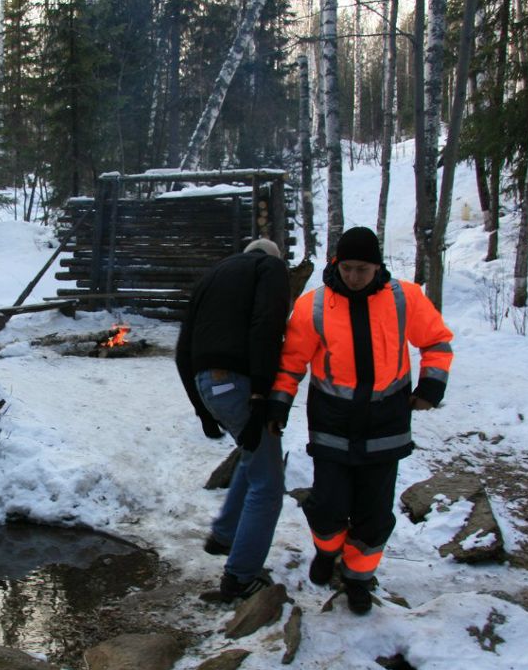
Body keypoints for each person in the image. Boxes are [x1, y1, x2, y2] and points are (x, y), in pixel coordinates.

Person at [269, 226, 453, 614]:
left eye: (363, 269)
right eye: (348, 268)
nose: (354, 277)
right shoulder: (313, 306)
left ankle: (357, 579)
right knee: (328, 506)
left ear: (377, 267)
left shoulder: (404, 298)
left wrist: (432, 386)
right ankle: (326, 551)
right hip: (332, 422)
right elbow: (291, 362)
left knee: (373, 515)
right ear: (337, 263)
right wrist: (279, 404)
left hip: (386, 423)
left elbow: (436, 342)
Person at [176, 237, 293, 601]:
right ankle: (240, 579)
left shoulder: (212, 276)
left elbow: (183, 348)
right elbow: (267, 324)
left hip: (207, 383)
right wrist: (261, 393)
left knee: (252, 452)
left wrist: (201, 408)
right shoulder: (270, 268)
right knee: (269, 485)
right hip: (241, 383)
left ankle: (225, 536)